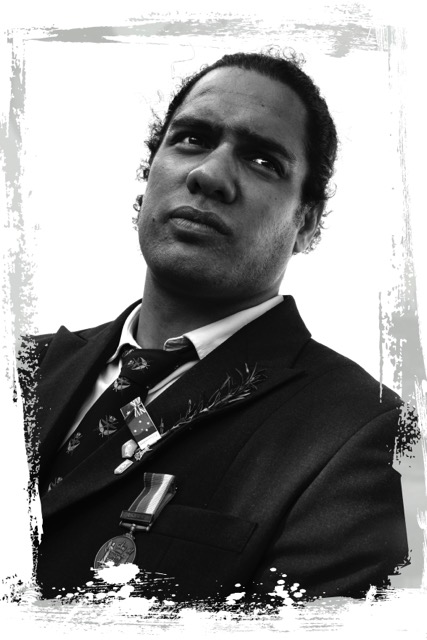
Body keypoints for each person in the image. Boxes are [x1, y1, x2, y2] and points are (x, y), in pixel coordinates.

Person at [19, 51, 411, 606]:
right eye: (191, 139)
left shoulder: (364, 435)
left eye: (263, 161)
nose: (209, 175)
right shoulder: (21, 369)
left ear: (307, 222)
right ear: (148, 174)